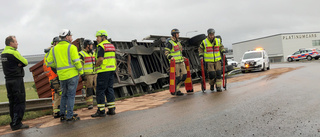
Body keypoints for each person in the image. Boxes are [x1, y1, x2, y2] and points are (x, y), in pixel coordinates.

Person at [46, 29, 83, 122]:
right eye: (71, 36)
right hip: (72, 75)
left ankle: (62, 115)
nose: (72, 38)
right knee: (71, 96)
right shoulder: (72, 47)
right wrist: (82, 73)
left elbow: (49, 62)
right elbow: (77, 62)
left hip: (62, 76)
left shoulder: (54, 49)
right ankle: (70, 116)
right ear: (67, 37)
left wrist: (58, 67)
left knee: (64, 95)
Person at [1, 36, 29, 130]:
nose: (17, 43)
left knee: (12, 102)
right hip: (17, 80)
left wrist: (18, 64)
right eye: (16, 42)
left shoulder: (3, 53)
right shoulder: (13, 52)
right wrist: (19, 64)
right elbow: (25, 62)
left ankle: (13, 122)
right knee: (19, 101)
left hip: (8, 80)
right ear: (11, 43)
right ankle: (17, 123)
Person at [91, 30, 116, 117]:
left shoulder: (101, 46)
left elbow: (100, 59)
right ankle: (111, 109)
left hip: (103, 71)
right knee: (109, 89)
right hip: (111, 70)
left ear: (103, 37)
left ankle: (101, 111)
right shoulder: (111, 46)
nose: (97, 39)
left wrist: (95, 66)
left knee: (100, 91)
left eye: (97, 37)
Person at [43, 36, 62, 118]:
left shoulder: (47, 54)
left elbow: (45, 68)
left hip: (51, 77)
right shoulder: (52, 52)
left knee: (55, 94)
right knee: (58, 93)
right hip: (55, 76)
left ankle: (56, 111)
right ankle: (57, 111)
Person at [164, 28, 186, 96]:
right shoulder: (170, 43)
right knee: (177, 77)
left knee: (184, 75)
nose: (178, 35)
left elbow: (179, 52)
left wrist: (183, 57)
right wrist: (171, 57)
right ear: (174, 35)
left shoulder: (178, 42)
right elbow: (166, 53)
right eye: (177, 33)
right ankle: (176, 90)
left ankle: (176, 89)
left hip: (181, 61)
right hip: (175, 63)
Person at [79, 39, 97, 109]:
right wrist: (82, 74)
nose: (92, 46)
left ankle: (102, 101)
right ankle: (90, 104)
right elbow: (81, 64)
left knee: (98, 88)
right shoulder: (81, 54)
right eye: (91, 45)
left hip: (95, 73)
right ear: (87, 46)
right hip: (87, 74)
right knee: (88, 89)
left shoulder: (93, 53)